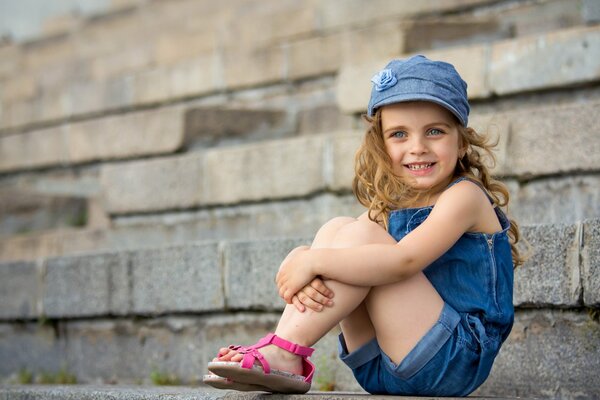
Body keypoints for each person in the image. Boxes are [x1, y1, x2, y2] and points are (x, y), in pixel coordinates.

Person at [202, 55, 524, 396]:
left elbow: (404, 262)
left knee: (354, 238)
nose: (417, 147)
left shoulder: (465, 197)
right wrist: (302, 255)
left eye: (434, 131)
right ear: (382, 146)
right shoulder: (390, 208)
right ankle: (286, 348)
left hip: (450, 361)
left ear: (460, 142)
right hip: (377, 367)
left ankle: (285, 350)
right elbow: (343, 248)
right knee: (337, 228)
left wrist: (313, 262)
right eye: (399, 134)